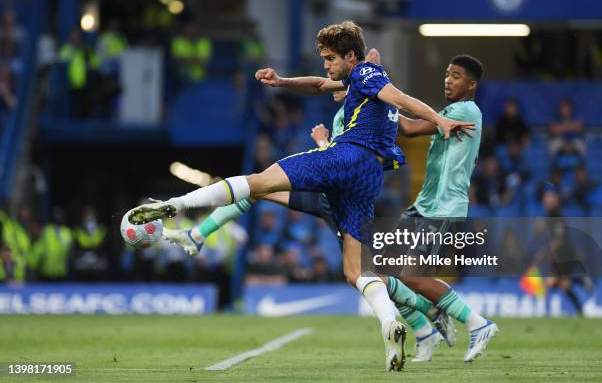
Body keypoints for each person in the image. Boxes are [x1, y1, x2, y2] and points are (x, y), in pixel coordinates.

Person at [126, 21, 473, 371]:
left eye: (330, 58)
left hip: (346, 158)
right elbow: (321, 84)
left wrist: (438, 119)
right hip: (367, 179)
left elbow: (400, 98)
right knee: (357, 270)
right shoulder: (357, 81)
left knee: (258, 182)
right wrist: (282, 82)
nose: (326, 65)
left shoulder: (366, 74)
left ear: (350, 56)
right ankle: (390, 322)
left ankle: (176, 205)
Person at [385, 55, 498, 363]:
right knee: (389, 269)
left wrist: (379, 95)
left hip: (443, 207)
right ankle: (431, 324)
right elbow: (407, 127)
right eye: (448, 74)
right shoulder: (450, 112)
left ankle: (478, 323)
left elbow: (407, 129)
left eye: (457, 75)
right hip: (425, 204)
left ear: (471, 85)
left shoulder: (464, 110)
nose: (448, 79)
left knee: (412, 278)